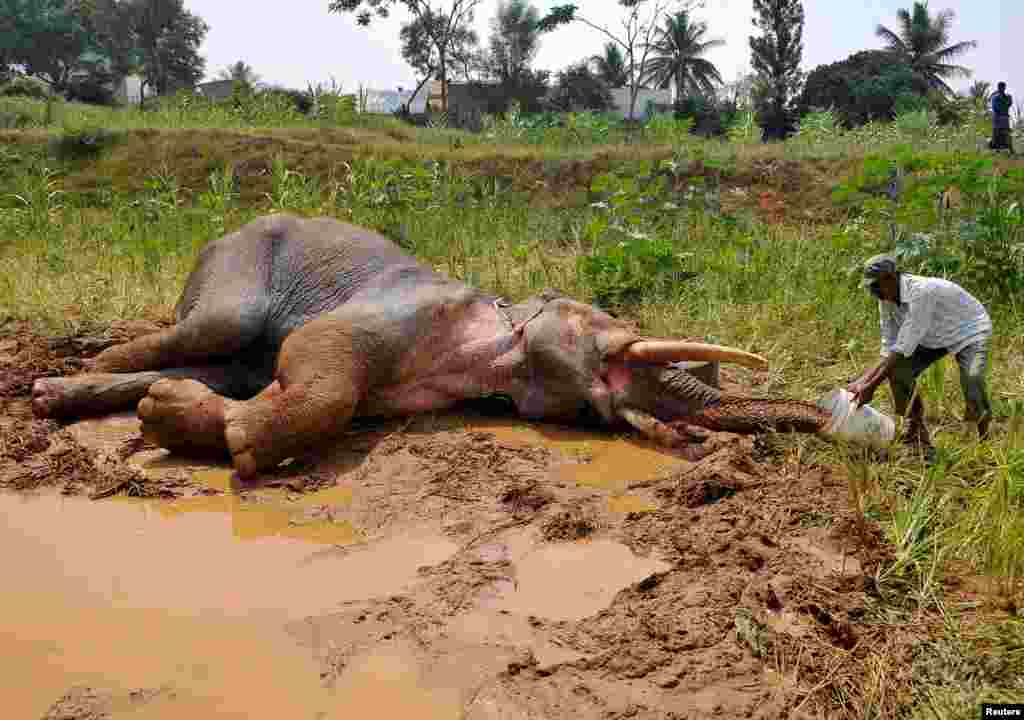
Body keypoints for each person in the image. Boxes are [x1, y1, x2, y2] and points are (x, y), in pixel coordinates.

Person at [847, 255, 993, 459]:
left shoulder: (922, 292)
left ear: (890, 278)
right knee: (898, 371)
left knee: (973, 379)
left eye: (875, 285)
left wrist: (870, 386)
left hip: (969, 329)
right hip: (931, 335)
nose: (873, 291)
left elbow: (904, 345)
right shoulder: (886, 300)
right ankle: (917, 432)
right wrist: (863, 380)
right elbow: (889, 344)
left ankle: (984, 440)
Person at [990, 82, 1015, 154]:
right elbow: (996, 107)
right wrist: (1003, 103)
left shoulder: (1007, 96)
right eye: (1000, 87)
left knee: (1007, 133)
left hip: (1005, 117)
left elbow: (1009, 103)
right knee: (997, 133)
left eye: (1003, 87)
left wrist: (1004, 102)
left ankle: (1010, 149)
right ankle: (997, 150)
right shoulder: (995, 97)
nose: (1002, 88)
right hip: (997, 117)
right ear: (998, 87)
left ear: (1004, 88)